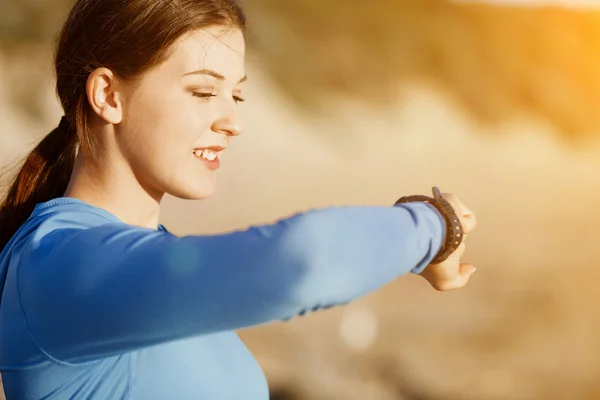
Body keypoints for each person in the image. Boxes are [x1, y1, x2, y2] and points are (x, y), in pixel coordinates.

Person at [0, 0, 478, 399]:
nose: (233, 122)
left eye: (238, 97)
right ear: (108, 94)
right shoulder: (59, 264)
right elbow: (302, 259)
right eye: (204, 91)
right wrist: (435, 226)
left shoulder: (130, 258)